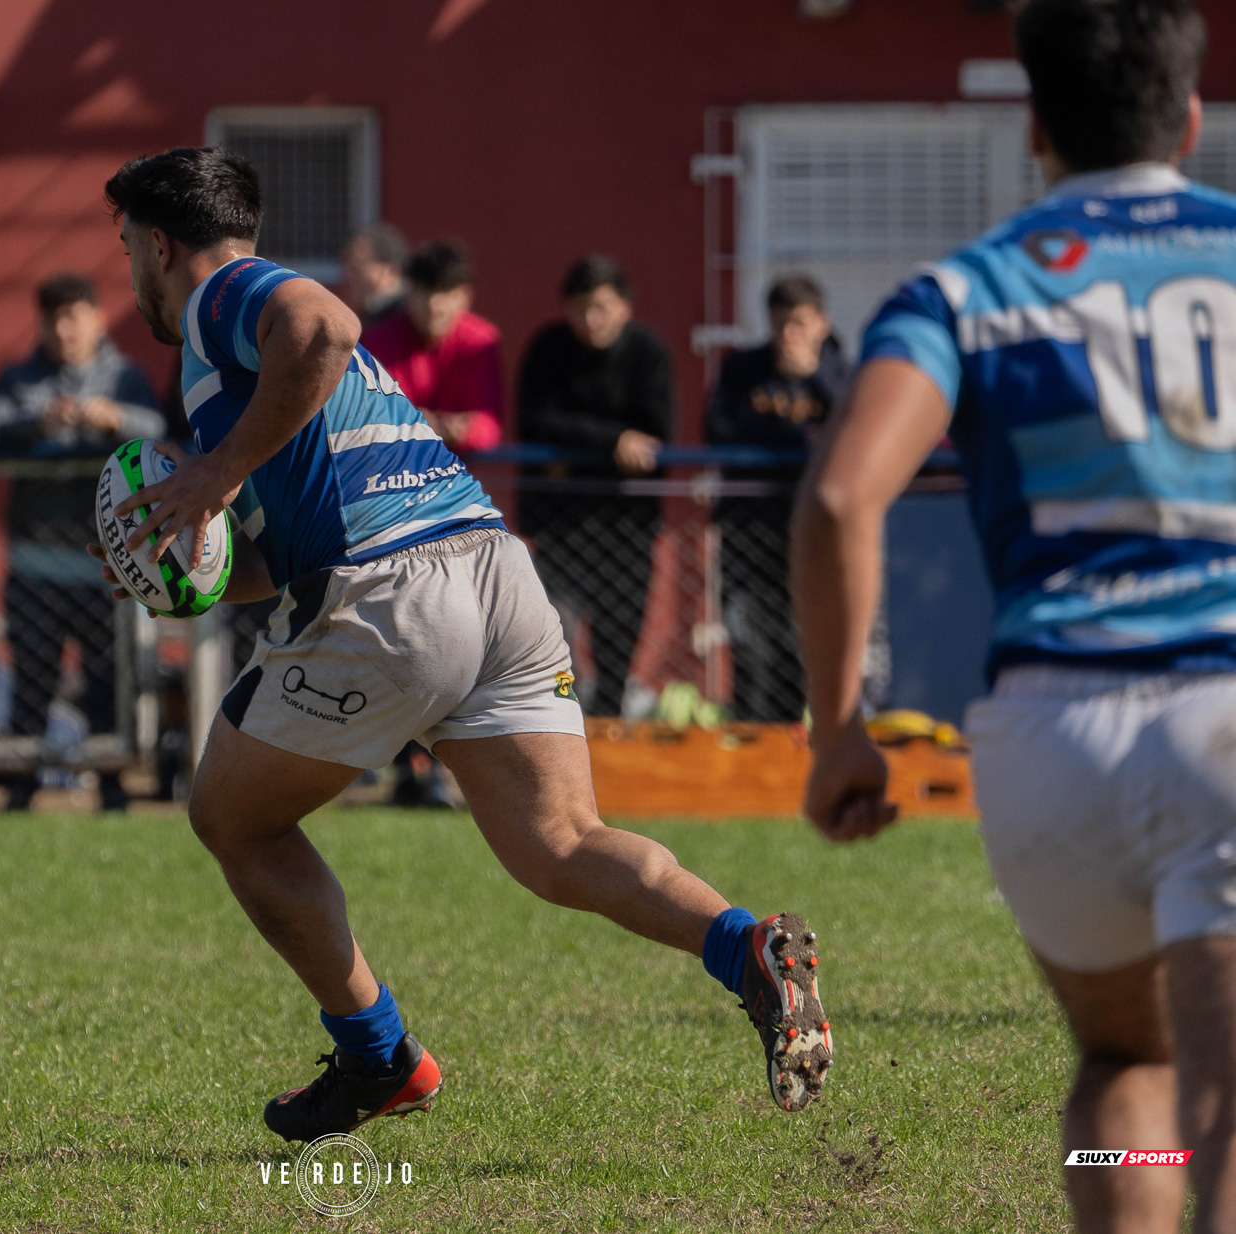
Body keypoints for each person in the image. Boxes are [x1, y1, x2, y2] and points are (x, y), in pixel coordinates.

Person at [90, 146, 832, 1144]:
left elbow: (326, 323)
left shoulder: (223, 295)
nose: (127, 266)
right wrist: (195, 569)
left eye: (127, 244)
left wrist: (214, 472)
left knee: (233, 816)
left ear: (161, 242)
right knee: (560, 843)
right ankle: (749, 948)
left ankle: (377, 1054)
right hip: (489, 569)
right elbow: (302, 524)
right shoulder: (250, 355)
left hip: (395, 593)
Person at [793, 3, 1235, 1230]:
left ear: (1034, 123)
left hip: (1051, 734)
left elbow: (837, 499)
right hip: (1228, 711)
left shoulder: (968, 287)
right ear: (1192, 118)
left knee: (1123, 1068)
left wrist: (839, 730)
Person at [0, 273, 164, 807]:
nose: (65, 329)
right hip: (33, 565)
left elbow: (159, 428)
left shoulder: (123, 376)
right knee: (32, 683)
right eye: (53, 318)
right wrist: (37, 422)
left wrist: (113, 418)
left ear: (95, 318)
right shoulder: (18, 377)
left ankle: (112, 785)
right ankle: (21, 786)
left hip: (106, 565)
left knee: (108, 682)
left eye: (74, 316)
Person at [517, 254, 674, 718]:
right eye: (581, 307)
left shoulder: (648, 352)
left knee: (618, 641)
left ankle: (608, 732)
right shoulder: (548, 348)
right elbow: (534, 420)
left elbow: (658, 431)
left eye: (602, 306)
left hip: (626, 524)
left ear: (625, 307)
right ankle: (559, 726)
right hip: (561, 526)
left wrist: (578, 451)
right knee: (553, 631)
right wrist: (613, 443)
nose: (591, 319)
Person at [707, 275, 849, 722]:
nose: (789, 335)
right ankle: (748, 731)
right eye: (780, 324)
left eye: (800, 324)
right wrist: (781, 431)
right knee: (747, 638)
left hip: (811, 528)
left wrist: (813, 379)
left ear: (822, 324)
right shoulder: (742, 369)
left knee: (798, 639)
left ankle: (791, 736)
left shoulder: (840, 373)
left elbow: (856, 432)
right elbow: (716, 431)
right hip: (748, 526)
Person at [360, 238, 504, 453]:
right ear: (408, 292)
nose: (433, 305)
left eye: (445, 293)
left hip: (458, 478)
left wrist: (463, 431)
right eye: (424, 291)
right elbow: (372, 414)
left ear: (465, 296)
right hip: (393, 473)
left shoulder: (482, 341)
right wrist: (429, 425)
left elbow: (489, 425)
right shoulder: (378, 340)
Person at [339, 223, 409, 327]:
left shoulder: (407, 317)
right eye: (347, 267)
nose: (347, 276)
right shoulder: (372, 313)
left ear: (390, 270)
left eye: (356, 268)